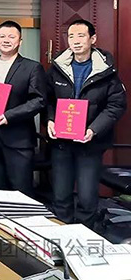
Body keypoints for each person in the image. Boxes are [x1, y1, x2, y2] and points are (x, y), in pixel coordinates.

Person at [47, 19, 126, 227]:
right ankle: (60, 235)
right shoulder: (58, 67)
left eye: (81, 36)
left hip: (90, 143)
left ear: (93, 39)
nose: (75, 41)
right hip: (61, 142)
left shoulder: (105, 70)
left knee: (87, 196)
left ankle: (85, 236)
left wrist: (93, 129)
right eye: (71, 36)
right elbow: (47, 99)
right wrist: (50, 120)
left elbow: (116, 105)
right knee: (60, 195)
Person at [0, 20, 47, 197]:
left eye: (11, 36)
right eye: (2, 36)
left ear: (20, 41)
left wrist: (9, 116)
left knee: (21, 191)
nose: (6, 40)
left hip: (18, 140)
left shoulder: (32, 67)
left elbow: (39, 100)